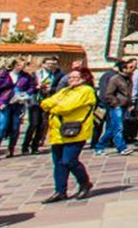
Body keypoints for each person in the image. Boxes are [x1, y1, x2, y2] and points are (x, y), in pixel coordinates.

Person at [37, 66, 96, 202]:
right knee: (58, 163)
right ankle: (60, 191)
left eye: (76, 77)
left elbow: (66, 107)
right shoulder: (65, 90)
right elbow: (45, 103)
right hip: (58, 131)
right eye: (70, 77)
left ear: (84, 78)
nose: (72, 80)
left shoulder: (86, 91)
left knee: (69, 160)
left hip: (75, 131)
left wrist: (54, 107)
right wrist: (53, 105)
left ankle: (84, 183)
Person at [93, 59, 133, 156]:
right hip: (116, 106)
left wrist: (130, 104)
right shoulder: (115, 79)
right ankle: (122, 147)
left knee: (112, 128)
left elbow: (128, 94)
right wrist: (115, 103)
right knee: (119, 127)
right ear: (123, 69)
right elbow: (109, 94)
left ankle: (99, 145)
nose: (132, 69)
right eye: (130, 67)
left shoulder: (128, 79)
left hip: (124, 106)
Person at [25, 57, 63, 155]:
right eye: (48, 63)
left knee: (43, 124)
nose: (51, 66)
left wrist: (51, 89)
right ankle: (25, 145)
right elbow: (29, 86)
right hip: (36, 101)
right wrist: (37, 87)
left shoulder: (59, 75)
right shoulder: (35, 74)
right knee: (34, 124)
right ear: (43, 64)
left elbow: (61, 88)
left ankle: (35, 146)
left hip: (48, 101)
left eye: (53, 64)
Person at [0, 59, 22, 160]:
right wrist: (0, 102)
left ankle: (11, 148)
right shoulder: (4, 76)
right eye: (19, 64)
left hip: (17, 104)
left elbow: (31, 87)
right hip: (4, 104)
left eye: (23, 64)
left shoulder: (25, 76)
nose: (22, 66)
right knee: (1, 127)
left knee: (15, 128)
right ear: (14, 65)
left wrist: (26, 94)